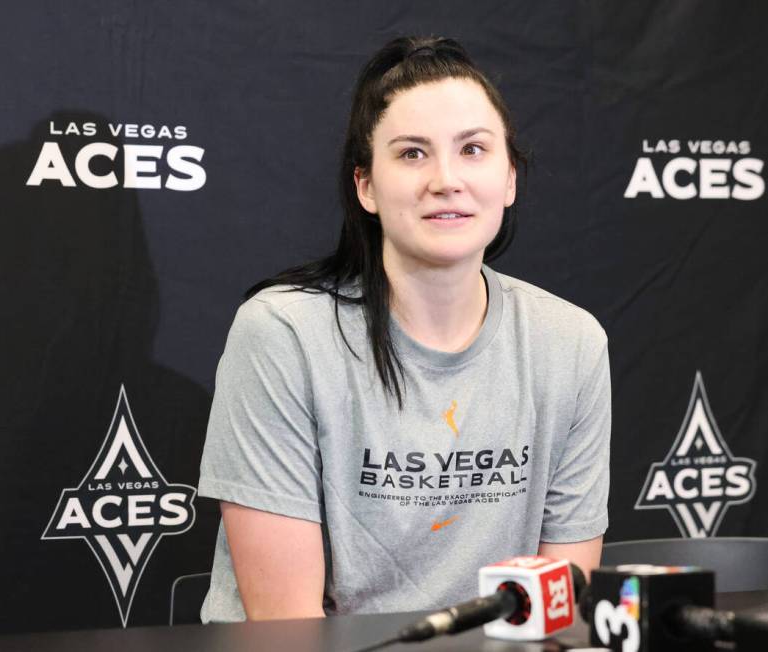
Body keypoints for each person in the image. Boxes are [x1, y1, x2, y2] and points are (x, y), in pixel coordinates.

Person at [197, 35, 611, 623]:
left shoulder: (572, 343)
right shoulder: (282, 332)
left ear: (510, 178)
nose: (446, 179)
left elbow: (555, 608)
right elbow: (287, 626)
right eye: (412, 153)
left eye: (473, 150)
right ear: (366, 185)